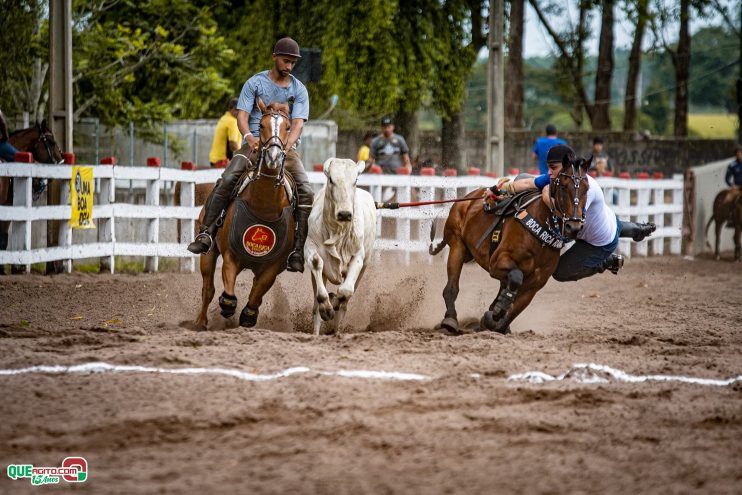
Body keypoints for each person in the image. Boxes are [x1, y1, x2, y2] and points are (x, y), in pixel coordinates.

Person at [187, 37, 314, 273]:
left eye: (293, 63)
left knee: (306, 190)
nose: (289, 66)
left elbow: (297, 124)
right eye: (286, 61)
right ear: (275, 57)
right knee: (227, 178)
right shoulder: (254, 83)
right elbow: (242, 116)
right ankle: (207, 233)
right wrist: (249, 138)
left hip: (286, 147)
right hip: (255, 144)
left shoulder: (299, 90)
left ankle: (297, 249)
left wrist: (288, 145)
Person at [492, 144, 655, 282]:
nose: (549, 172)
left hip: (597, 242)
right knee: (615, 226)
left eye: (553, 168)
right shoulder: (558, 178)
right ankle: (638, 229)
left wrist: (547, 198)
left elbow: (571, 217)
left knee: (560, 273)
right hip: (606, 219)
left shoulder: (587, 189)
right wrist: (502, 188)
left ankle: (606, 261)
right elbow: (528, 182)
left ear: (566, 168)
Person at [208, 97, 241, 167]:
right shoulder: (232, 121)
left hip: (215, 160)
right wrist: (241, 158)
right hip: (223, 162)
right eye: (238, 110)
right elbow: (233, 144)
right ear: (232, 109)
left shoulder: (224, 118)